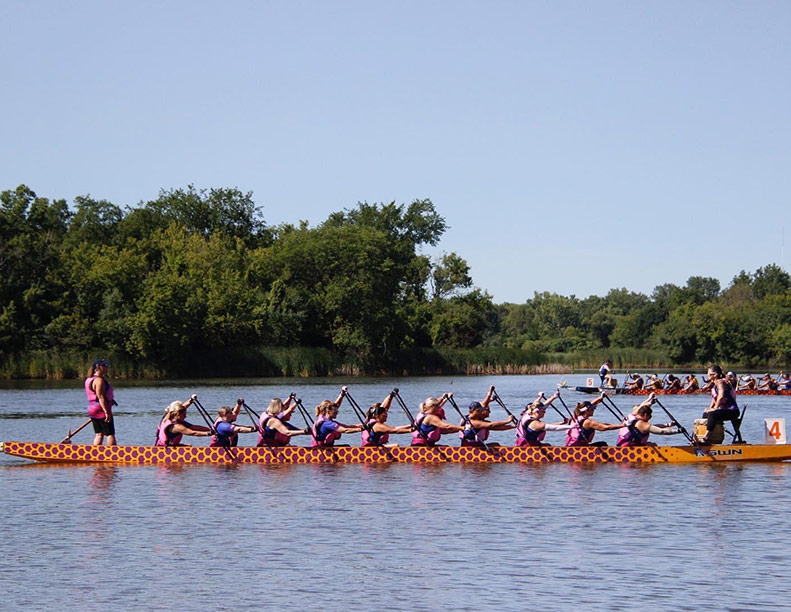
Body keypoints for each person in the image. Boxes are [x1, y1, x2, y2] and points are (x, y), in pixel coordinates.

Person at [616, 394, 683, 447]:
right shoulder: (642, 424)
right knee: (653, 445)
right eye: (650, 416)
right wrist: (678, 431)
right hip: (629, 448)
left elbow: (642, 406)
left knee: (650, 444)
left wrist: (669, 425)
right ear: (645, 415)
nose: (650, 418)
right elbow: (662, 432)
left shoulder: (632, 415)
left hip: (621, 444)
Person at [701, 365, 743, 444]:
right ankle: (711, 437)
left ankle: (706, 438)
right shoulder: (714, 384)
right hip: (724, 410)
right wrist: (709, 408)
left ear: (715, 375)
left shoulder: (720, 382)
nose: (707, 375)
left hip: (732, 411)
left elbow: (721, 396)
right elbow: (714, 400)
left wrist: (715, 408)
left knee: (712, 414)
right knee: (706, 414)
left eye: (709, 374)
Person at [85, 358, 117, 446]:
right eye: (105, 366)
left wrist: (111, 400)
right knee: (110, 434)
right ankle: (113, 455)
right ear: (98, 367)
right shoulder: (99, 380)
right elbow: (100, 396)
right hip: (101, 409)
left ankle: (95, 454)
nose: (107, 368)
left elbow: (96, 394)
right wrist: (106, 412)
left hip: (92, 409)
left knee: (99, 434)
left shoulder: (89, 379)